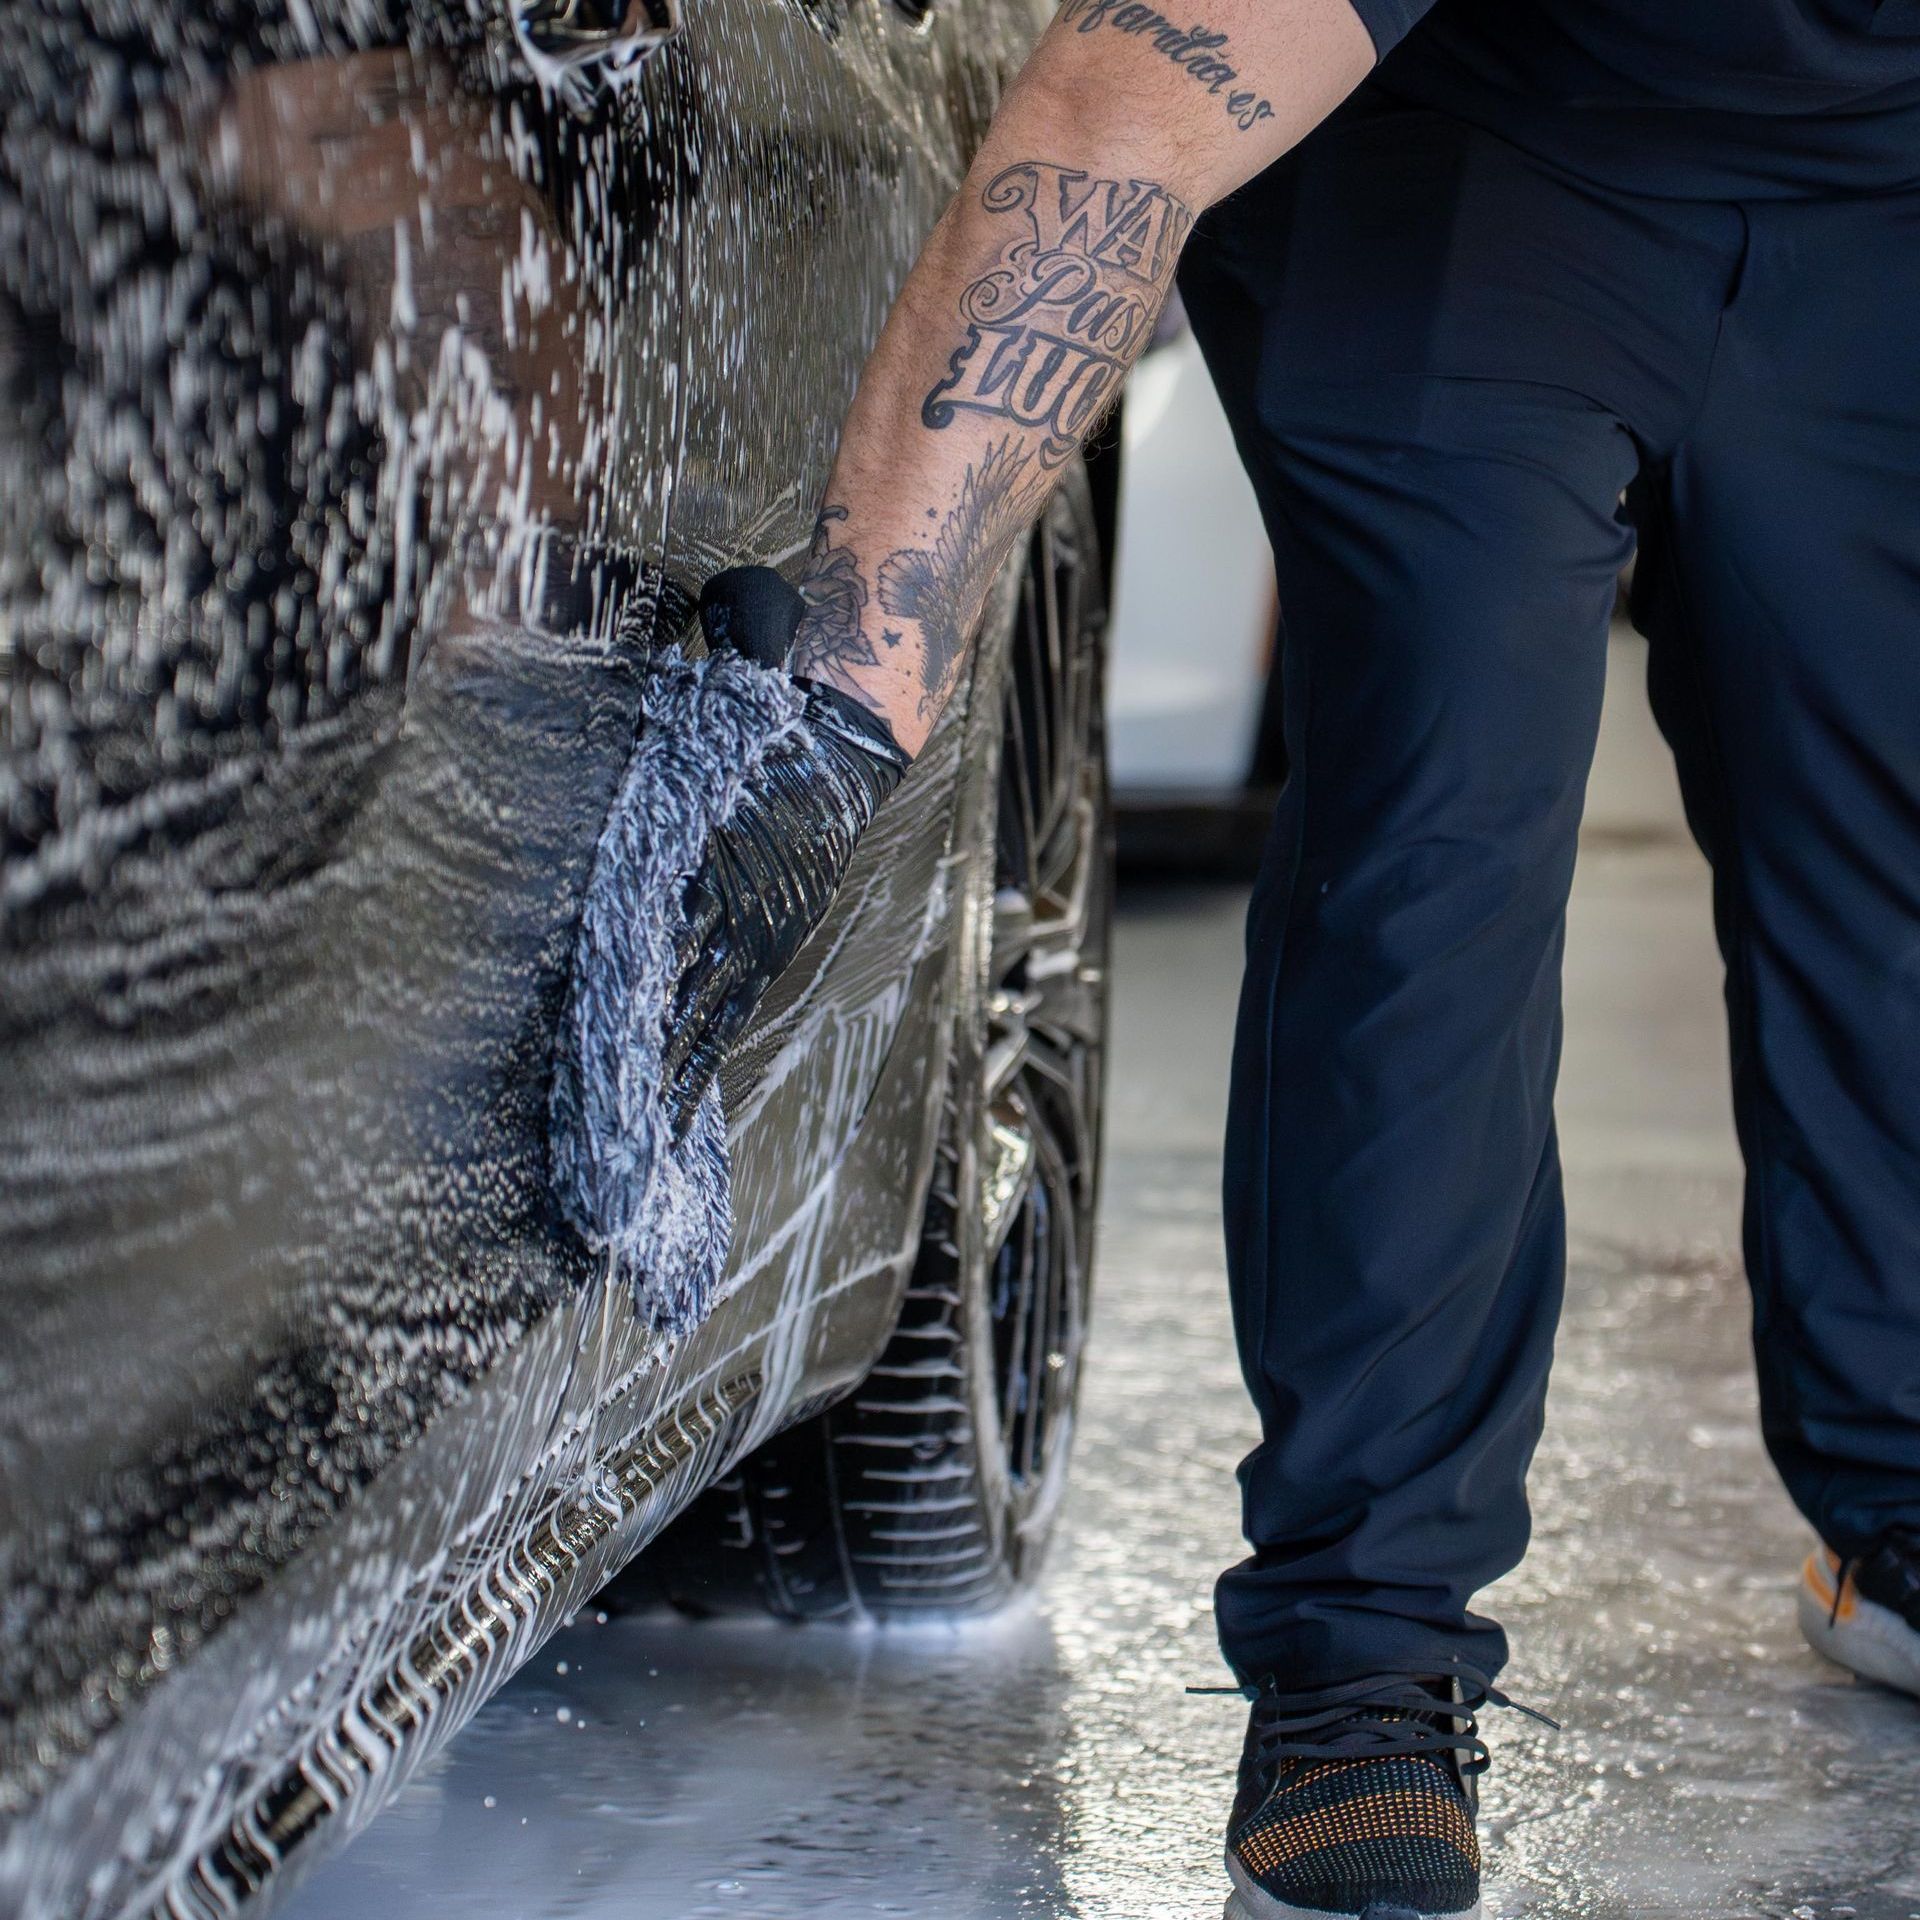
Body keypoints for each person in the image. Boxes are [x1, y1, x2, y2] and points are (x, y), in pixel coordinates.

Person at [671, 2, 1920, 1914]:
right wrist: (849, 700)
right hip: (1469, 169)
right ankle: (1360, 1662)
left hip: (1879, 183)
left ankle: (1898, 1505)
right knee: (1436, 850)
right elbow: (1117, 116)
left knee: (1882, 835)